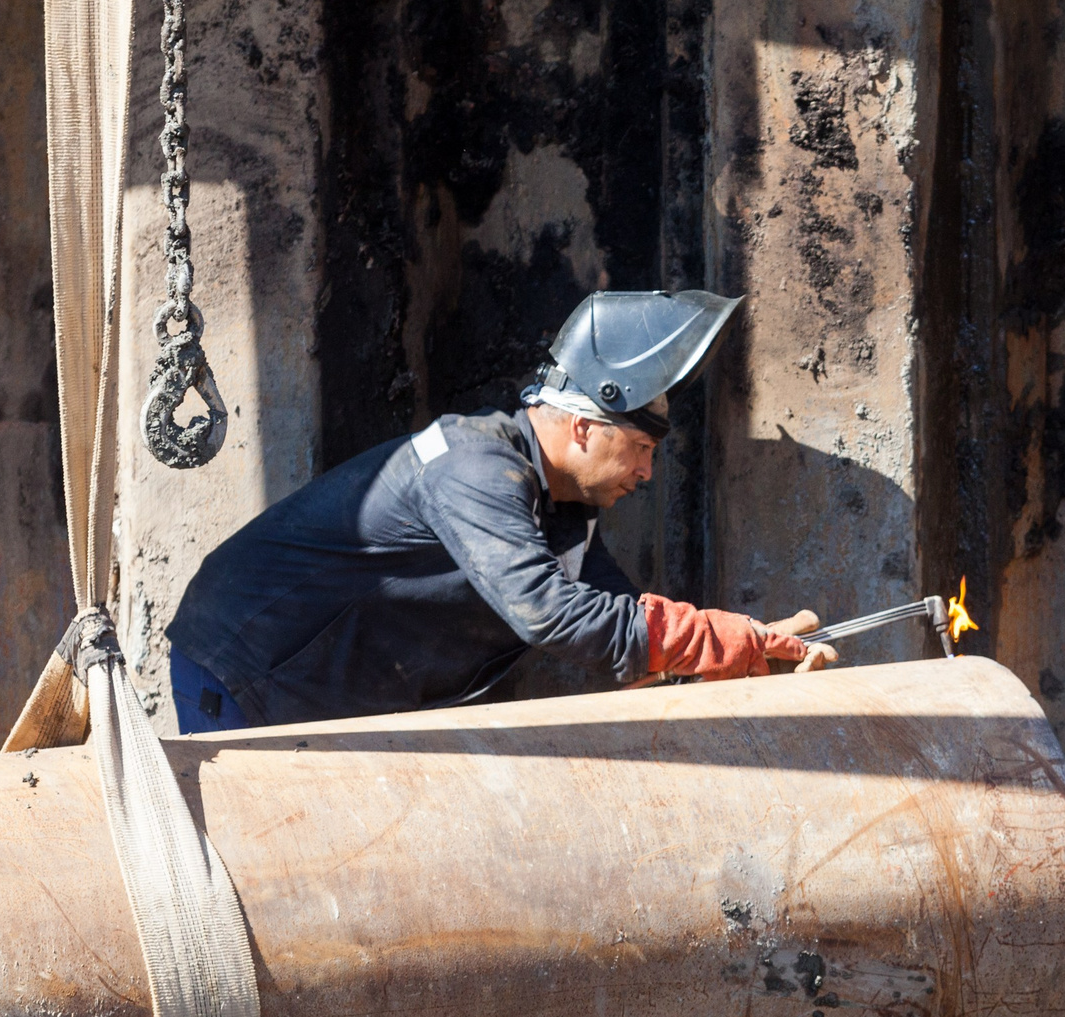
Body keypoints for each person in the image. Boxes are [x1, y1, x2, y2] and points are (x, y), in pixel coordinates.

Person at [164, 289, 833, 734]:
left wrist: (752, 660)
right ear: (582, 429)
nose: (646, 472)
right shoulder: (473, 465)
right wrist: (717, 639)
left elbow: (625, 634)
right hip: (241, 670)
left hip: (314, 693)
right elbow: (550, 611)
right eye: (636, 448)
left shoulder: (559, 511)